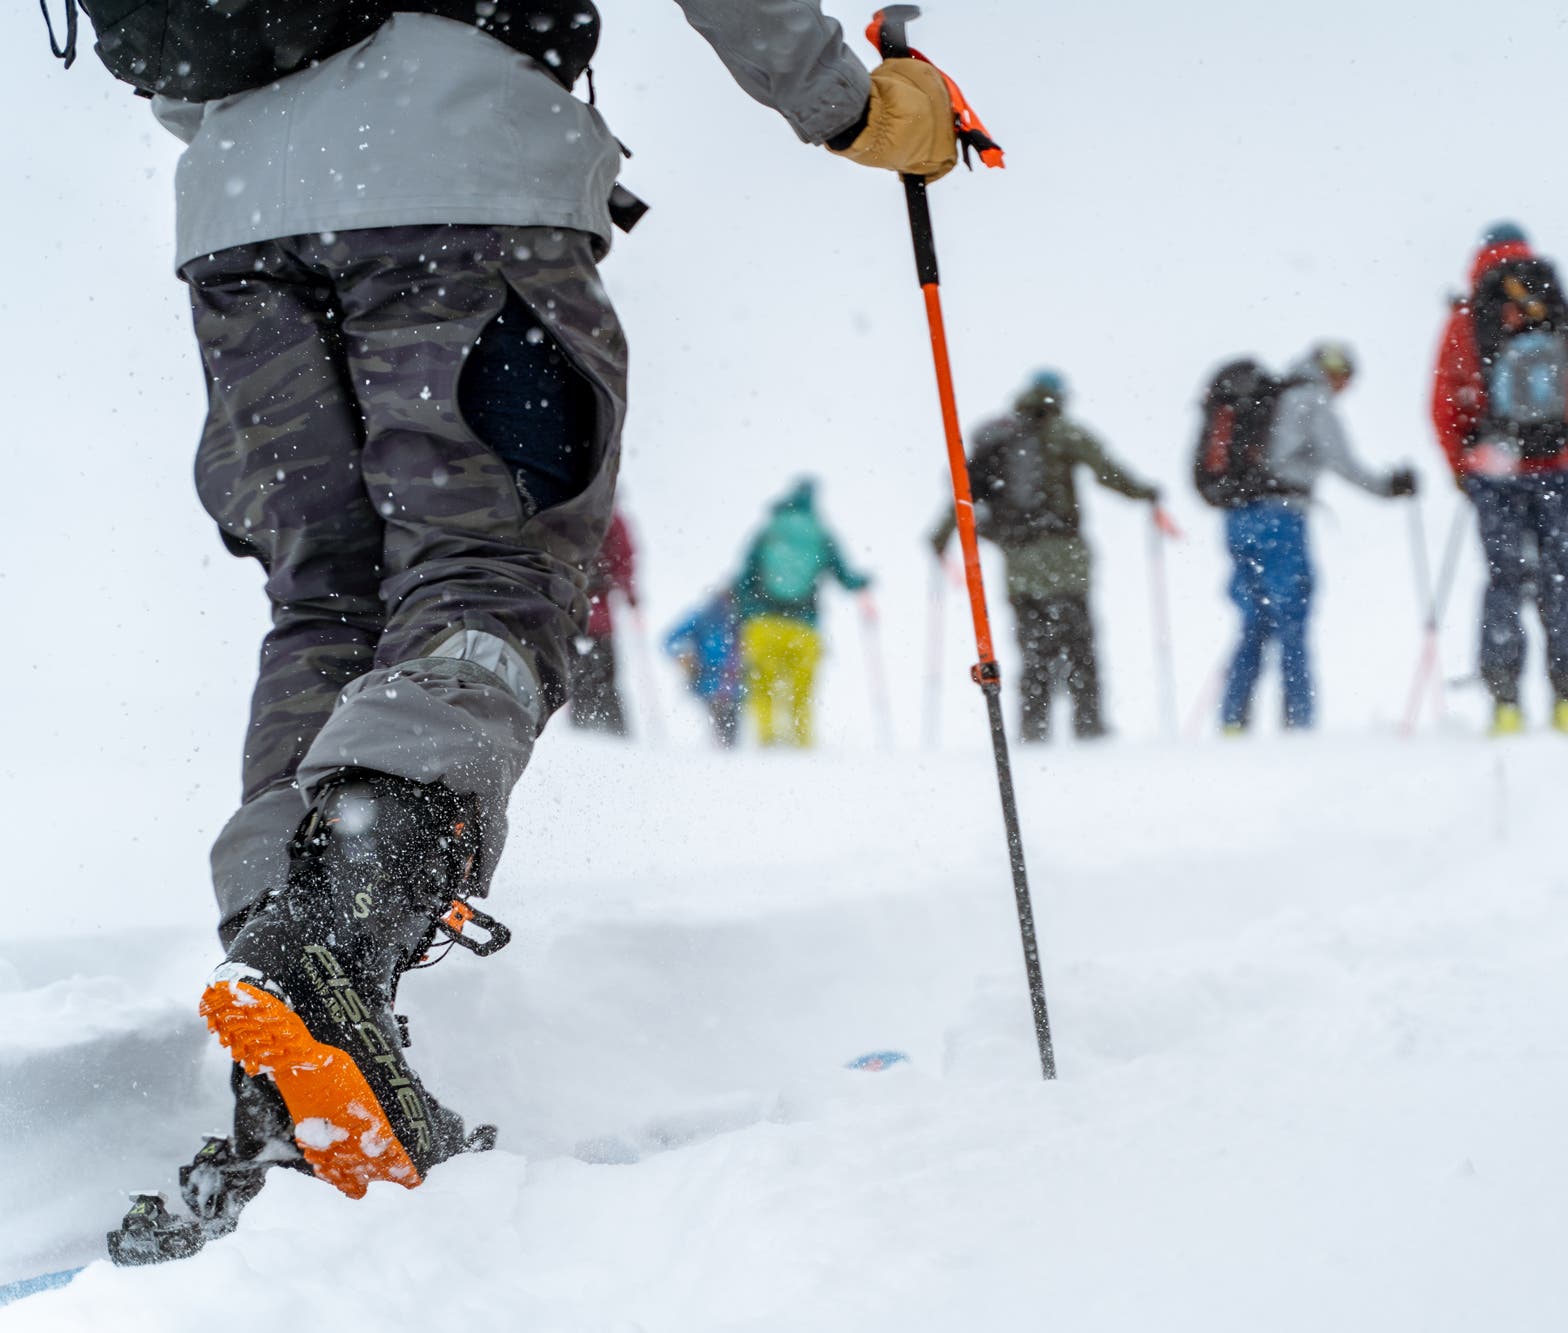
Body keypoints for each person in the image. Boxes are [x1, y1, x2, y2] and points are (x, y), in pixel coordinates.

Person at [60, 0, 962, 1263]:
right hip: (456, 184)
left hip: (234, 219)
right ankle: (336, 935)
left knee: (327, 604)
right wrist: (855, 105)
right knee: (484, 574)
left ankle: (295, 1054)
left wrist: (275, 135)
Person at [1431, 222, 1568, 736]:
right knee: (1563, 582)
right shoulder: (1566, 314)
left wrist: (1463, 468)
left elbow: (1444, 406)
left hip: (1496, 471)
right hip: (1563, 466)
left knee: (1505, 581)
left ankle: (1506, 702)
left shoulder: (1466, 319)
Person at [929, 371, 1161, 742]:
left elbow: (964, 493)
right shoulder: (1062, 432)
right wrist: (1146, 493)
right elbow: (1106, 471)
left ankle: (1033, 734)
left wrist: (939, 538)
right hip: (1064, 558)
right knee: (1079, 649)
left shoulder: (1002, 439)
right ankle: (1089, 728)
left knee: (1034, 653)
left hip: (1019, 563)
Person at [1209, 344, 1418, 733]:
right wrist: (1388, 487)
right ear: (1335, 372)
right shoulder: (1312, 400)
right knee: (1292, 620)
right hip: (1282, 518)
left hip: (1238, 516)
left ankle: (1232, 721)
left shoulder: (1271, 395)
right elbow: (1343, 462)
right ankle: (1299, 724)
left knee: (1253, 621)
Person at [733, 480, 871, 748]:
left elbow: (744, 579)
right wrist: (862, 583)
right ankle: (802, 747)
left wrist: (746, 611)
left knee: (763, 688)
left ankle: (768, 742)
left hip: (763, 624)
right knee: (801, 693)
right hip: (804, 627)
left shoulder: (768, 531)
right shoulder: (820, 534)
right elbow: (845, 577)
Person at [570, 509, 639, 735]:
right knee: (602, 677)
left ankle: (588, 730)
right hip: (591, 617)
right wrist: (627, 588)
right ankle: (613, 731)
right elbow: (624, 557)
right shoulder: (609, 515)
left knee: (580, 678)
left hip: (575, 615)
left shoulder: (573, 509)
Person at [664, 590, 744, 748]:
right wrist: (684, 654)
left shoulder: (742, 618)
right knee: (721, 724)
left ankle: (726, 754)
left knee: (729, 726)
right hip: (709, 680)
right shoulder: (703, 617)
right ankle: (721, 754)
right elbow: (671, 640)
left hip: (734, 683)